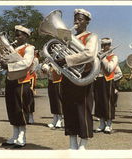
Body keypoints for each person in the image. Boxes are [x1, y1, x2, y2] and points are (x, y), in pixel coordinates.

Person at [54, 9, 98, 150]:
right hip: (68, 77)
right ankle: (72, 143)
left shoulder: (92, 37)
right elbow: (59, 55)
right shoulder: (68, 38)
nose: (76, 22)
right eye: (75, 19)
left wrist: (66, 59)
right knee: (69, 110)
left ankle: (83, 144)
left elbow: (90, 54)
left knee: (83, 109)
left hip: (83, 77)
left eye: (80, 19)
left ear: (87, 22)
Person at [0, 25, 35, 148]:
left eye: (19, 35)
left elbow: (26, 63)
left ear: (25, 36)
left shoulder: (29, 48)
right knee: (12, 109)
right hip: (10, 81)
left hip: (22, 82)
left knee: (20, 109)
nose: (16, 37)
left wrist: (8, 66)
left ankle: (22, 136)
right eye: (16, 35)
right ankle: (14, 135)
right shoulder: (13, 49)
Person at [94, 37, 118, 134]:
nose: (104, 47)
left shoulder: (114, 57)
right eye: (103, 45)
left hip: (108, 81)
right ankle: (102, 123)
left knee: (108, 102)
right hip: (98, 80)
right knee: (99, 102)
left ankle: (109, 124)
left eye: (106, 45)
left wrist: (103, 58)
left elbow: (109, 68)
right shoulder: (98, 56)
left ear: (110, 45)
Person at [41, 62, 63, 129]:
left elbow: (60, 70)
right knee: (52, 100)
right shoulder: (48, 59)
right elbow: (43, 70)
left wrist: (52, 66)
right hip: (51, 80)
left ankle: (60, 119)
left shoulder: (59, 57)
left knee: (58, 100)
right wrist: (44, 68)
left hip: (58, 81)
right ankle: (55, 118)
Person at [27, 51, 39, 124]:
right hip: (22, 77)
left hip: (30, 77)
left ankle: (30, 116)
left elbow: (32, 70)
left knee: (30, 97)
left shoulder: (35, 59)